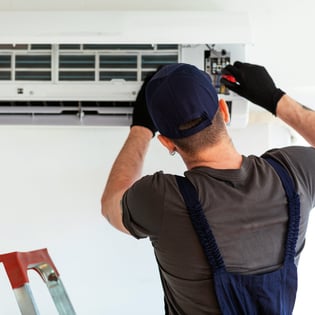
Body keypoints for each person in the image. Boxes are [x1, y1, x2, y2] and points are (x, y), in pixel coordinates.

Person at [101, 61, 315, 314]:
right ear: (223, 111)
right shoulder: (295, 173)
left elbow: (110, 205)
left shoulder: (162, 198)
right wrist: (274, 98)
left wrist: (141, 129)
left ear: (167, 142)